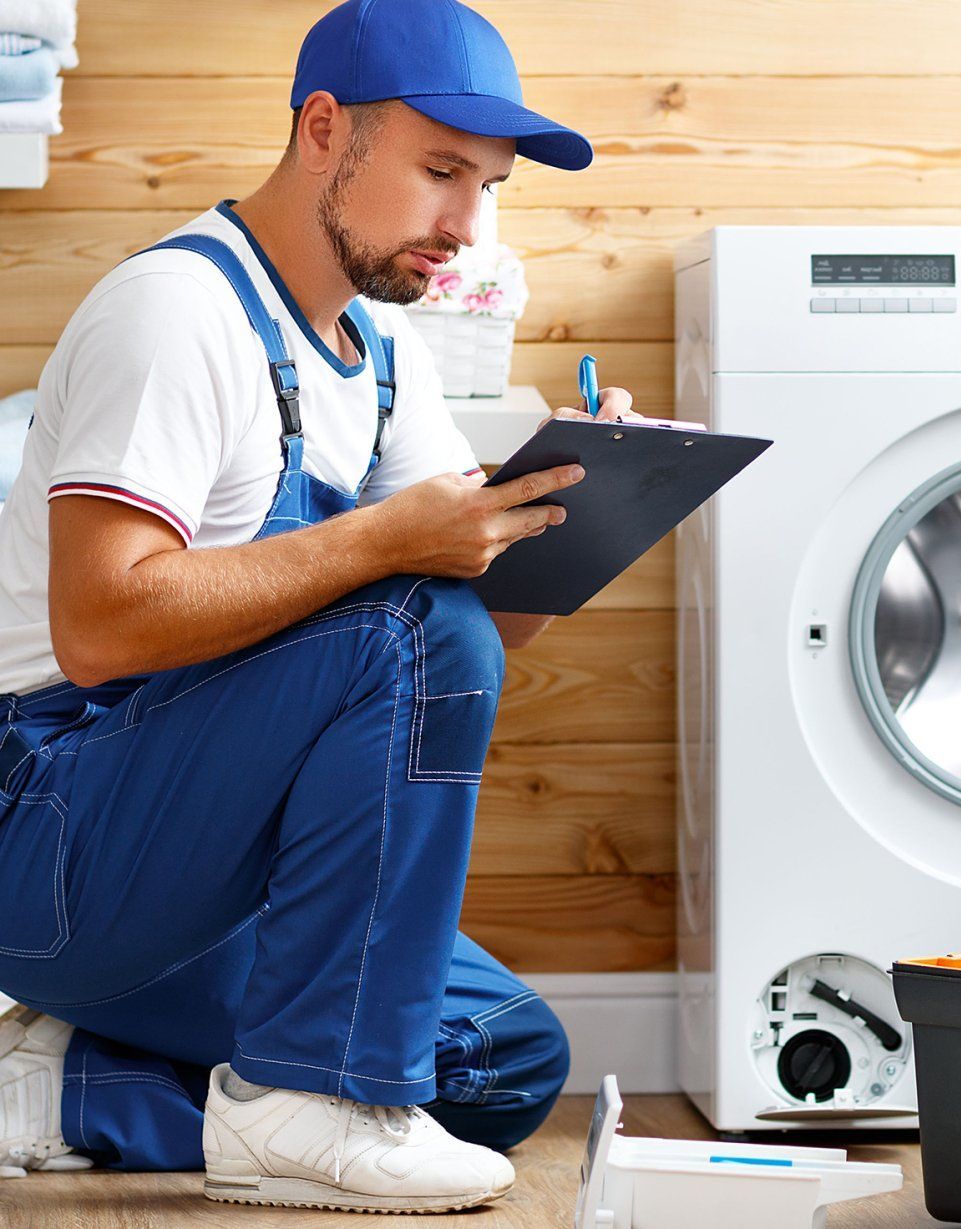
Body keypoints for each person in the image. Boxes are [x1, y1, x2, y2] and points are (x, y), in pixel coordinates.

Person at [0, 0, 649, 1213]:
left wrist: (589, 519)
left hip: (207, 861)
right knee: (408, 611)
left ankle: (68, 1086)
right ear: (320, 131)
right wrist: (390, 542)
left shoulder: (382, 358)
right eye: (441, 171)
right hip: (46, 827)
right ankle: (308, 1102)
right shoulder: (177, 311)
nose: (469, 222)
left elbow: (470, 653)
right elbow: (100, 627)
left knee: (504, 1055)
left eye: (491, 185)